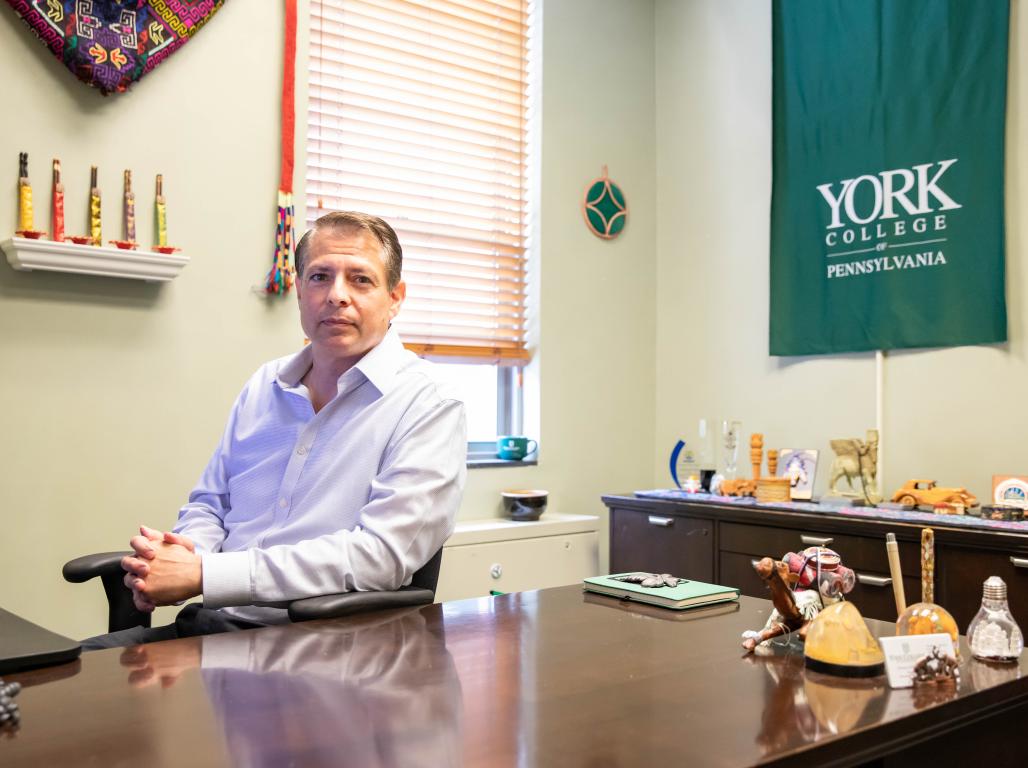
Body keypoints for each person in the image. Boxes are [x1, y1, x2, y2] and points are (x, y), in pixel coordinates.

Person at [84, 211, 467, 649]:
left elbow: (380, 557)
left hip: (325, 649)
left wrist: (206, 575)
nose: (337, 295)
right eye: (320, 276)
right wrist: (177, 555)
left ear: (395, 298)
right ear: (300, 290)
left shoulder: (429, 403)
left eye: (360, 279)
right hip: (212, 631)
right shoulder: (264, 386)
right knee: (50, 680)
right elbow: (212, 503)